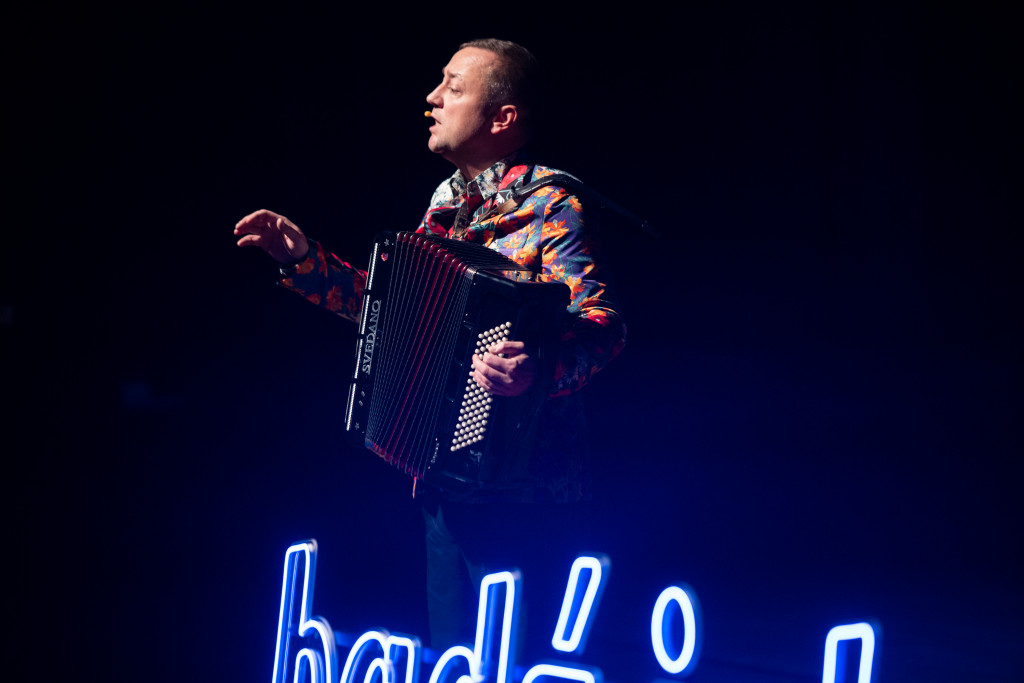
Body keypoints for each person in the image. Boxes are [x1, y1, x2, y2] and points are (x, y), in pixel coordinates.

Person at [234, 39, 625, 655]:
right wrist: (304, 261)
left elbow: (601, 325)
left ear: (503, 118)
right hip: (441, 479)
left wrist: (538, 369)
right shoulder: (445, 204)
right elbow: (392, 314)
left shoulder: (553, 204)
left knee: (516, 658)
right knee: (453, 656)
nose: (432, 98)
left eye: (453, 87)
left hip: (526, 489)